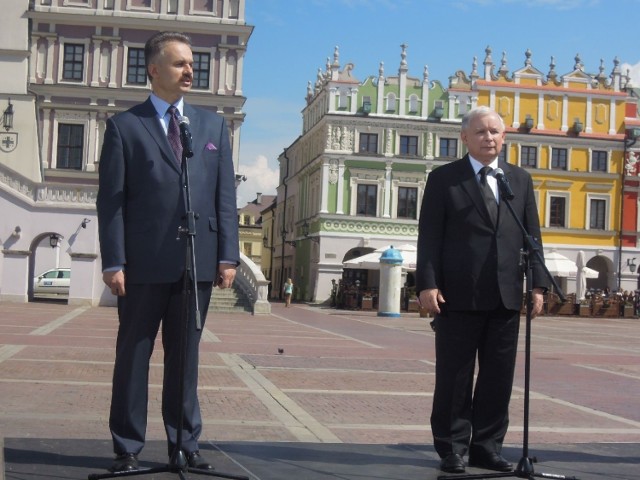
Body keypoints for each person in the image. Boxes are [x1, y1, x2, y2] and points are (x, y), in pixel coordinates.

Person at [96, 31, 240, 473]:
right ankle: (127, 445)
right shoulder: (125, 126)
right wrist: (114, 260)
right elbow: (113, 200)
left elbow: (224, 197)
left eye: (192, 64)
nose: (189, 71)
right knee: (134, 355)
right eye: (179, 63)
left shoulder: (211, 125)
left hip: (195, 262)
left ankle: (185, 442)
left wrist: (228, 255)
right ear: (154, 69)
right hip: (141, 264)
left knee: (186, 358)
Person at [416, 106, 548, 474]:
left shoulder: (518, 180)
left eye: (495, 132)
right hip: (457, 295)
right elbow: (429, 236)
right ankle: (453, 448)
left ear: (504, 137)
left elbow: (531, 236)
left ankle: (487, 447)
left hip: (506, 294)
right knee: (455, 376)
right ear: (465, 138)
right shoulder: (445, 179)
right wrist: (427, 283)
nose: (489, 138)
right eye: (481, 132)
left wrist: (537, 284)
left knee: (497, 378)